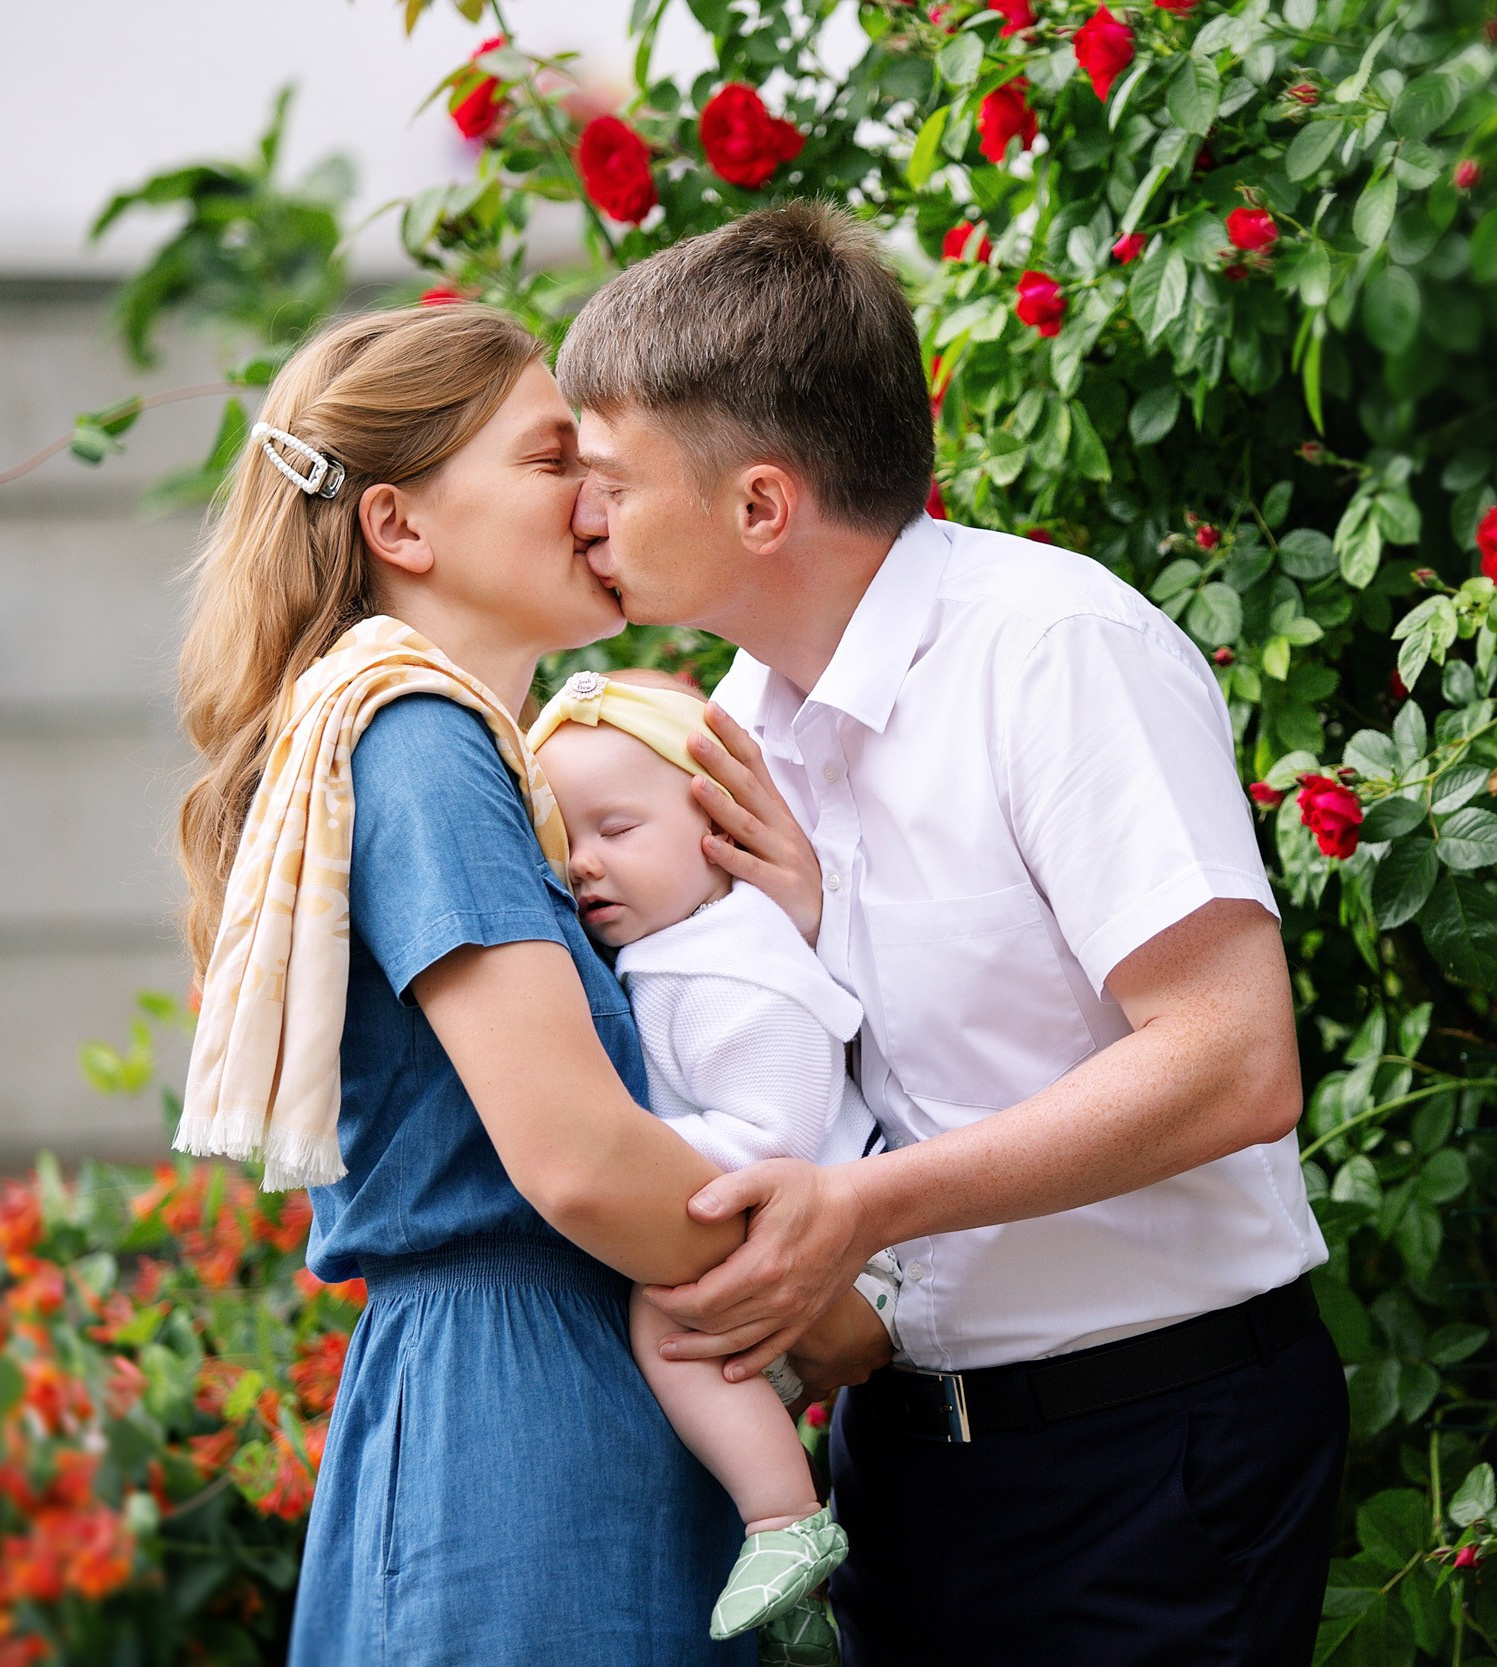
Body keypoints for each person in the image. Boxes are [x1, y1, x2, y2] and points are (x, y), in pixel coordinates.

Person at [557, 203, 1346, 1665]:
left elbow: (1236, 1061)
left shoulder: (1052, 651)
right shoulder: (724, 736)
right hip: (898, 1467)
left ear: (761, 504)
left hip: (1148, 1454)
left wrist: (864, 1210)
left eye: (608, 476)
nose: (577, 513)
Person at [169, 303, 873, 1665]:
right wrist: (827, 1308)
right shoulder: (423, 742)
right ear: (402, 527)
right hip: (518, 1423)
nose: (599, 494)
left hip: (562, 1390)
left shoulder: (460, 756)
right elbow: (579, 1158)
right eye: (556, 459)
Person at [527, 667, 901, 1661]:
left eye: (617, 829)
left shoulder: (734, 965)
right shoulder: (678, 951)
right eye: (564, 842)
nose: (585, 867)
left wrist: (631, 1164)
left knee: (668, 1317)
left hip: (854, 1250)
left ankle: (785, 1520)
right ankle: (796, 1589)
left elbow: (773, 1129)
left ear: (715, 824)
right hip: (806, 1243)